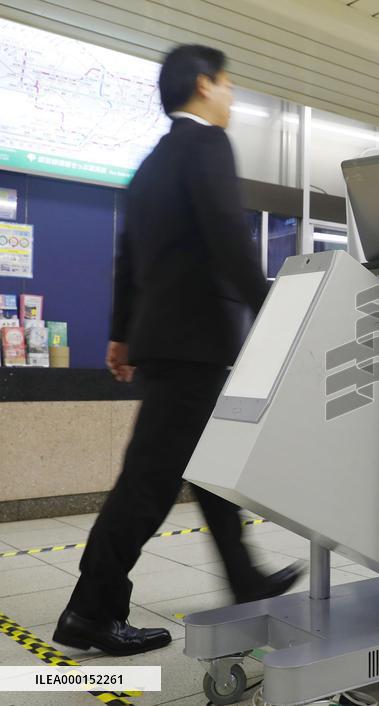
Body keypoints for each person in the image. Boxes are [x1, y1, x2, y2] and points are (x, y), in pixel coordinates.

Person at [54, 45, 300, 657]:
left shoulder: (151, 164)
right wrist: (273, 304)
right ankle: (90, 608)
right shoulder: (208, 146)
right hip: (194, 345)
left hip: (166, 342)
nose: (232, 95)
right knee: (147, 485)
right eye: (228, 83)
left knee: (210, 467)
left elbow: (128, 257)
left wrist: (120, 334)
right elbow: (226, 235)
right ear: (202, 85)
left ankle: (244, 577)